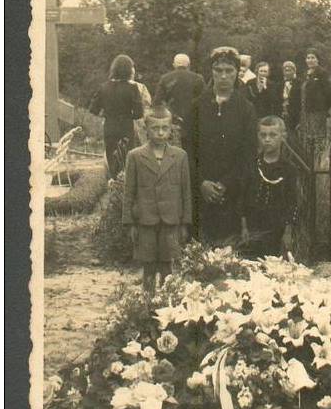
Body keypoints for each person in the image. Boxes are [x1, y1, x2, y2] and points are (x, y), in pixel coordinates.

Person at [184, 46, 257, 245]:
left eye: (229, 71)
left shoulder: (246, 109)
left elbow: (249, 154)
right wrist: (202, 183)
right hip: (200, 193)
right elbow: (187, 149)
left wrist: (225, 184)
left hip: (231, 196)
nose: (223, 76)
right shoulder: (197, 106)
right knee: (197, 256)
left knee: (226, 256)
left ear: (236, 73)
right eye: (218, 70)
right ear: (211, 72)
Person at [122, 105, 192, 297]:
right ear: (146, 130)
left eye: (165, 128)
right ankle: (147, 304)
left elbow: (186, 192)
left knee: (168, 266)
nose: (160, 133)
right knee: (149, 267)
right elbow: (129, 192)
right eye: (155, 128)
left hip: (171, 221)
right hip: (145, 221)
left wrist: (185, 222)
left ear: (171, 129)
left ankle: (168, 304)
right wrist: (130, 223)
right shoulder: (135, 156)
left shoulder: (180, 156)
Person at [240, 115, 298, 258]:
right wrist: (244, 227)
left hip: (276, 227)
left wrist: (287, 232)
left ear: (283, 136)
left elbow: (292, 202)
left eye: (273, 135)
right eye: (263, 135)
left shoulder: (289, 169)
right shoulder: (251, 165)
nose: (267, 139)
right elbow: (242, 198)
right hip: (253, 226)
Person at [89, 54, 143, 178]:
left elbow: (93, 110)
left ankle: (114, 185)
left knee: (112, 158)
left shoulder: (104, 87)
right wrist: (129, 115)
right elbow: (139, 113)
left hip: (110, 126)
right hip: (126, 126)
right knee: (127, 159)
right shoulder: (133, 88)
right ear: (129, 70)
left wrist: (107, 114)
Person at [299, 47, 331, 166]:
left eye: (313, 57)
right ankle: (308, 162)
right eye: (308, 58)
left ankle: (318, 162)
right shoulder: (305, 74)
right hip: (305, 111)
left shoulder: (322, 73)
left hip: (317, 112)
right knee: (307, 138)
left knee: (317, 138)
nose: (310, 60)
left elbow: (329, 94)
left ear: (318, 59)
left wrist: (323, 108)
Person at [154, 53, 205, 131]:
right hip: (193, 121)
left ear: (174, 65)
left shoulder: (165, 79)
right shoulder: (198, 78)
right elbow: (204, 100)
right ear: (189, 65)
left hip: (172, 121)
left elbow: (157, 102)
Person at [279, 60, 301, 131]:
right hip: (282, 114)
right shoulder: (279, 85)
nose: (287, 73)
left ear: (294, 71)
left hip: (295, 115)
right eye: (285, 70)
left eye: (289, 70)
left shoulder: (299, 84)